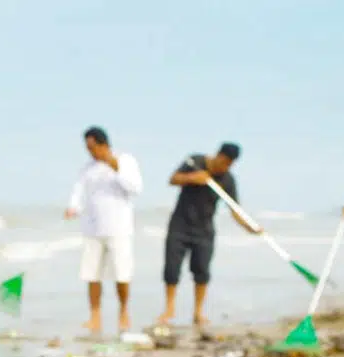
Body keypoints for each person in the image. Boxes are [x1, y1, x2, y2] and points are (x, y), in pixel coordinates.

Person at [161, 143, 259, 327]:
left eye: (230, 165)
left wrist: (250, 227)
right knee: (171, 270)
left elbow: (235, 209)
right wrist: (192, 178)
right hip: (179, 226)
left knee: (202, 272)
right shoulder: (195, 161)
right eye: (225, 162)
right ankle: (169, 309)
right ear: (218, 155)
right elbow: (173, 179)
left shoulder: (227, 180)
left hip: (204, 231)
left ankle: (198, 312)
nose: (225, 167)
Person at [65, 126, 143, 334]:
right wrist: (73, 207)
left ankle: (124, 311)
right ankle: (94, 316)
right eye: (87, 149)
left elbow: (135, 188)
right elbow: (79, 191)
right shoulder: (88, 168)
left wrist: (114, 165)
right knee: (91, 274)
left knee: (121, 273)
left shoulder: (125, 161)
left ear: (104, 145)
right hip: (92, 228)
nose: (91, 152)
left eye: (93, 148)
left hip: (119, 227)